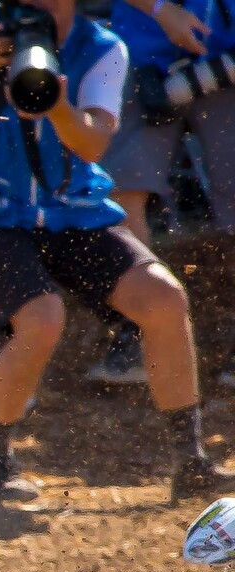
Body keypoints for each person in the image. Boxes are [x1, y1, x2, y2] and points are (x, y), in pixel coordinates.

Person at [0, 0, 235, 500]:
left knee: (164, 299)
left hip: (73, 212)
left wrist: (56, 105)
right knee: (42, 318)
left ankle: (190, 462)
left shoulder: (103, 47)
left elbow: (92, 145)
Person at [89, 0, 235, 385]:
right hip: (142, 53)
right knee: (118, 195)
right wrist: (159, 9)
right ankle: (136, 331)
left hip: (229, 55)